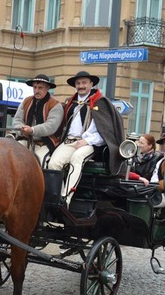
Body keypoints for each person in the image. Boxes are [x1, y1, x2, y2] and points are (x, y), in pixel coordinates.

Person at [47, 70, 124, 204]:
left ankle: (65, 198)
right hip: (69, 141)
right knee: (53, 164)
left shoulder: (100, 102)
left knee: (77, 158)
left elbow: (105, 130)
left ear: (91, 84)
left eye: (84, 83)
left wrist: (87, 141)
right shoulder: (71, 102)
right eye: (78, 83)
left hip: (91, 144)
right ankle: (54, 198)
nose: (81, 86)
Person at [6, 74, 63, 165]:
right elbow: (17, 120)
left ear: (47, 88)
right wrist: (22, 129)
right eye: (35, 87)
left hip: (44, 143)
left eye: (40, 88)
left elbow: (51, 126)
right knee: (9, 155)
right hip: (25, 139)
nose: (36, 91)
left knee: (40, 162)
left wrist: (32, 130)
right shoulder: (26, 101)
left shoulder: (55, 105)